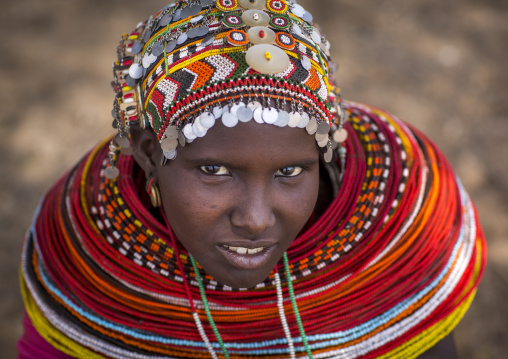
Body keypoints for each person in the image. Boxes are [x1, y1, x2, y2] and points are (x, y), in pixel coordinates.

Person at [17, 0, 486, 358]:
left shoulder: (399, 226)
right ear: (147, 153)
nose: (257, 220)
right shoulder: (92, 247)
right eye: (214, 171)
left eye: (290, 172)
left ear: (322, 154)